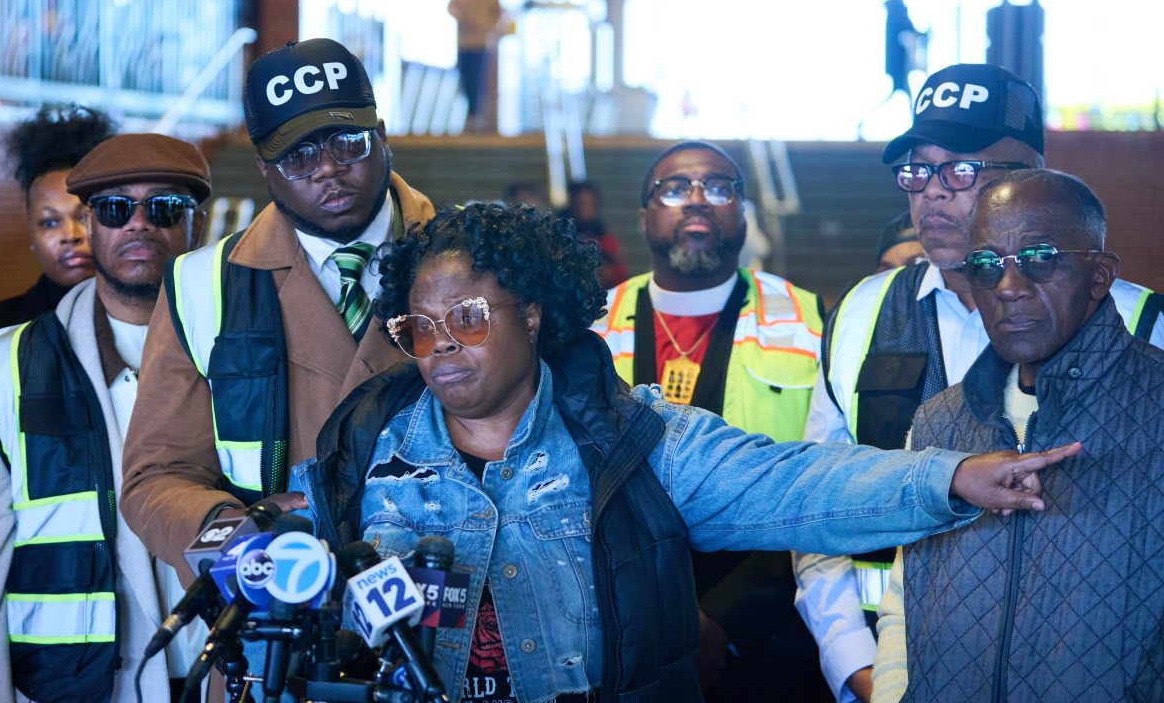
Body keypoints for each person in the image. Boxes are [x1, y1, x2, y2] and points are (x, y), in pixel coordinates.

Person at [294, 202, 1077, 703]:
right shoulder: (368, 449)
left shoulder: (633, 439)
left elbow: (795, 484)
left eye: (465, 316)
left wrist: (954, 477)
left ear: (531, 313)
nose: (439, 346)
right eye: (417, 327)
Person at [796, 63, 1164, 703]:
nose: (932, 194)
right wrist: (856, 664)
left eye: (960, 170)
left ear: (1033, 177)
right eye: (918, 170)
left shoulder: (1146, 326)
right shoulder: (861, 312)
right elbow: (823, 499)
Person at [120, 38, 435, 580]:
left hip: (447, 607)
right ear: (265, 170)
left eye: (347, 141)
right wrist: (240, 539)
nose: (328, 169)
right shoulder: (201, 285)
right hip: (278, 625)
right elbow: (155, 478)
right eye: (298, 156)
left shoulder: (470, 261)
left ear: (381, 138)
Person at [871, 169, 1164, 702]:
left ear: (1099, 275)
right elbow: (904, 599)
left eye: (1040, 258)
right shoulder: (941, 420)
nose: (1008, 288)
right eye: (985, 265)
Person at [0, 134, 211, 702]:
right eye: (115, 208)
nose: (139, 225)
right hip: (68, 684)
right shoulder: (0, 365)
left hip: (207, 671)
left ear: (196, 225)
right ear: (92, 224)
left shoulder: (243, 353)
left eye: (166, 208)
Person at [591, 141, 826, 699]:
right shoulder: (590, 327)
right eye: (674, 188)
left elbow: (821, 474)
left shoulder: (810, 321)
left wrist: (726, 619)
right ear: (644, 215)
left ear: (743, 211)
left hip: (771, 622)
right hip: (619, 621)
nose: (697, 200)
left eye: (719, 188)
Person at [0, 104, 116, 343]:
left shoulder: (158, 325)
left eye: (83, 217)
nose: (70, 235)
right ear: (31, 235)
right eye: (49, 222)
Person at [448, 0, 503, 129]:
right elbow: (452, 7)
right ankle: (470, 113)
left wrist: (485, 25)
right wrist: (464, 19)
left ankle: (476, 115)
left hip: (481, 42)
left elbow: (498, 12)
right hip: (463, 41)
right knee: (465, 76)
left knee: (478, 77)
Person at [563, 180, 628, 288]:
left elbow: (620, 275)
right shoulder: (562, 236)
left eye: (590, 203)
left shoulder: (606, 240)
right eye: (581, 203)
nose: (586, 208)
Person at [883, 0, 922, 101]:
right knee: (901, 88)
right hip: (896, 56)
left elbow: (908, 26)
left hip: (898, 56)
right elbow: (906, 25)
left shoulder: (898, 6)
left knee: (902, 89)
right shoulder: (895, 6)